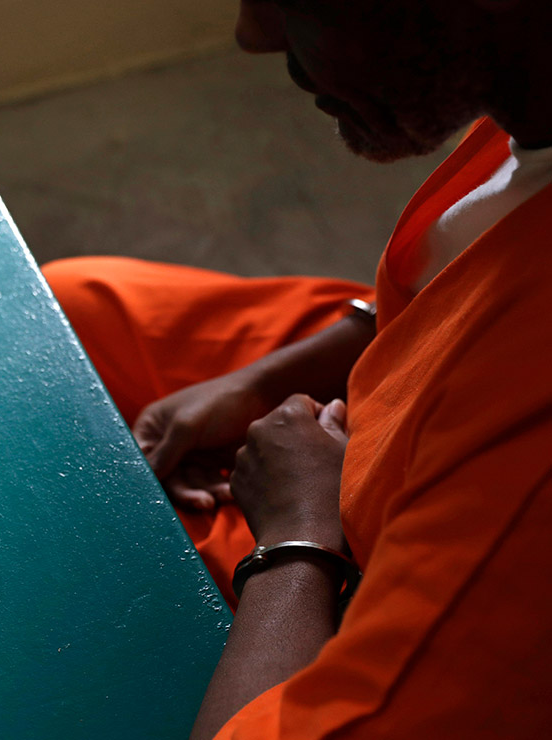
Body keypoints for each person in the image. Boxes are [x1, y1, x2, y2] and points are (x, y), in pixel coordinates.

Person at [42, 1, 552, 737]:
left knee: (92, 561)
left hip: (358, 547)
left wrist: (300, 537)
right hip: (408, 357)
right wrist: (271, 376)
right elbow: (463, 259)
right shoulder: (524, 85)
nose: (255, 34)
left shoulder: (526, 470)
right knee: (69, 311)